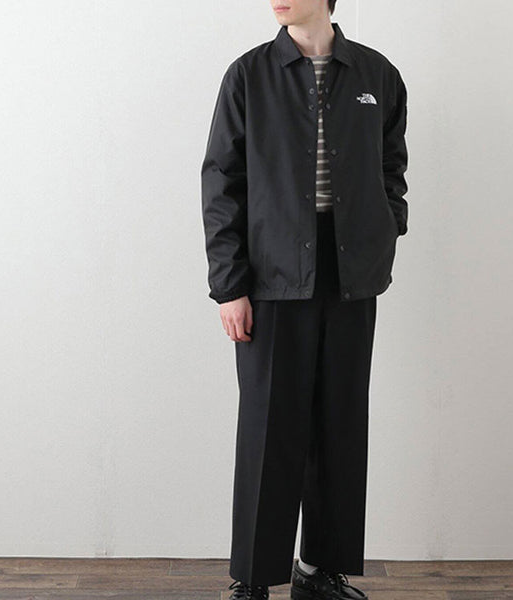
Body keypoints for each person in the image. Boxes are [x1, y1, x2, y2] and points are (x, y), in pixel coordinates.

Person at [201, 1, 408, 598]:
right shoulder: (248, 75)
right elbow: (221, 182)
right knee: (269, 427)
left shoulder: (376, 74)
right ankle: (253, 578)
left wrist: (387, 226)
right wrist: (229, 285)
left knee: (340, 423)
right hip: (271, 275)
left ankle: (320, 571)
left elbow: (392, 165)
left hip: (351, 273)